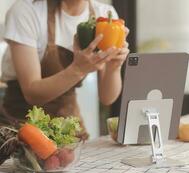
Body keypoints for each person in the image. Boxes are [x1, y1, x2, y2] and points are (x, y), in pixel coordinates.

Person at [1, 0, 129, 138]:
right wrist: (78, 70)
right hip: (23, 124)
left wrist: (114, 66)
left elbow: (107, 98)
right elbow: (32, 93)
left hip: (68, 124)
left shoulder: (104, 15)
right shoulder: (26, 11)